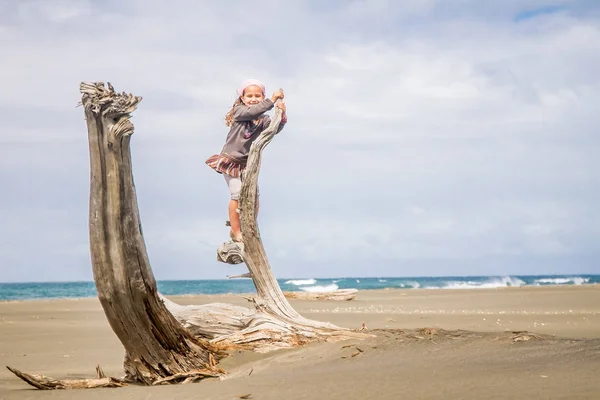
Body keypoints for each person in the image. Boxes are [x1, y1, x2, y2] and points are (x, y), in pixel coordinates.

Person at [205, 79, 287, 242]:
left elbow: (273, 129)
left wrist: (282, 115)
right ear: (242, 98)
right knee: (236, 194)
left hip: (247, 165)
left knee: (252, 196)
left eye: (258, 95)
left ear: (262, 96)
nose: (253, 99)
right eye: (249, 95)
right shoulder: (240, 112)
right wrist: (270, 100)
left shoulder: (262, 119)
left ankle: (249, 226)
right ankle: (235, 231)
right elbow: (252, 112)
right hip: (231, 161)